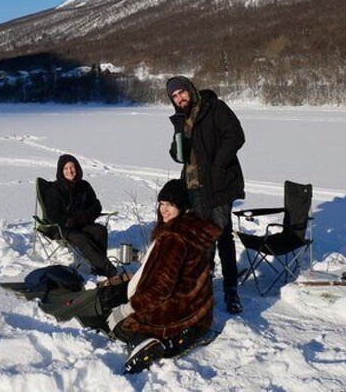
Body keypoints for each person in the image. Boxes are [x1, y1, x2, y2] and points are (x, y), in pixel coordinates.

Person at [104, 179, 221, 371]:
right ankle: (191, 332)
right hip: (197, 307)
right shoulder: (192, 228)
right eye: (162, 204)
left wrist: (126, 310)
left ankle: (160, 343)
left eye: (171, 205)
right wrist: (141, 257)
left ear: (182, 206)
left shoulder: (173, 237)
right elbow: (170, 266)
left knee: (122, 325)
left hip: (179, 308)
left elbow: (159, 289)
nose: (164, 210)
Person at [166, 75, 246, 314]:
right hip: (194, 188)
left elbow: (236, 135)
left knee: (221, 236)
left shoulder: (214, 107)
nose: (180, 98)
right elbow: (177, 153)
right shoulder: (181, 119)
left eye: (181, 92)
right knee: (201, 238)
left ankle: (231, 291)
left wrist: (217, 165)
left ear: (190, 89)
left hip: (219, 184)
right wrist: (176, 147)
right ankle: (203, 286)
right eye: (174, 96)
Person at [44, 154, 117, 277]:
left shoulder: (84, 186)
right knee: (82, 237)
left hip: (81, 224)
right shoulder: (55, 189)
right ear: (61, 171)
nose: (69, 171)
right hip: (62, 227)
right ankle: (106, 268)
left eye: (72, 167)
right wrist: (68, 220)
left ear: (77, 168)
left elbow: (96, 206)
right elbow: (51, 213)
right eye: (65, 168)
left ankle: (98, 269)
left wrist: (84, 216)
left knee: (100, 230)